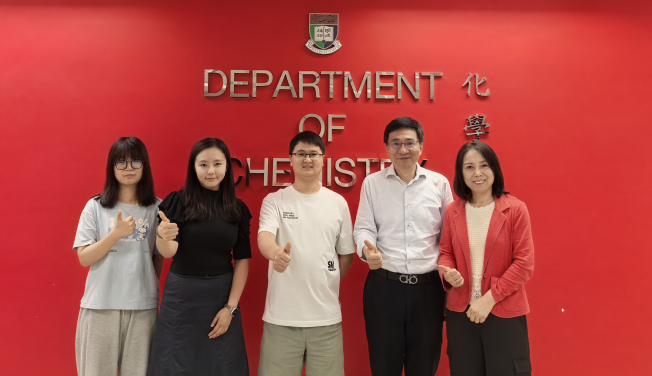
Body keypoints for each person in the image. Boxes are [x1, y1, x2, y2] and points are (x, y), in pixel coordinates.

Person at [353, 117, 453, 376]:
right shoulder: (372, 184)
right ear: (386, 148)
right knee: (384, 366)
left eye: (409, 142)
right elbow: (363, 227)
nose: (403, 149)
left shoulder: (439, 184)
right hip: (384, 288)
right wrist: (368, 251)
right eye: (395, 143)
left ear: (421, 146)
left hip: (428, 290)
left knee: (424, 366)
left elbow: (450, 236)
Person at [148, 138, 252, 376]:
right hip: (181, 297)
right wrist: (163, 236)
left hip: (222, 297)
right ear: (193, 168)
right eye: (203, 164)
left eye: (217, 163)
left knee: (222, 366)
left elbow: (243, 260)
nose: (211, 171)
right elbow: (168, 252)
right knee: (174, 365)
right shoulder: (178, 202)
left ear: (227, 167)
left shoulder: (237, 209)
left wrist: (231, 308)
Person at [257, 131, 355, 376]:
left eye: (313, 154)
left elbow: (346, 254)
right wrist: (275, 254)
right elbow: (264, 237)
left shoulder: (338, 203)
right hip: (281, 319)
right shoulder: (275, 200)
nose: (307, 159)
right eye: (301, 154)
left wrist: (327, 281)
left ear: (323, 159)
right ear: (290, 159)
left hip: (326, 320)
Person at [438, 141, 534, 376]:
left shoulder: (516, 209)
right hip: (461, 314)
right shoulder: (453, 211)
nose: (477, 173)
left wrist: (489, 299)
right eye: (469, 167)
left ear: (494, 169)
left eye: (484, 165)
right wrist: (448, 272)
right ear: (461, 173)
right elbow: (446, 253)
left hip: (503, 311)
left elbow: (524, 264)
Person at [73, 136, 163, 376]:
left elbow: (157, 255)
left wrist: (148, 281)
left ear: (145, 166)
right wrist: (116, 235)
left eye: (136, 162)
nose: (128, 168)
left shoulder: (157, 208)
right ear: (111, 167)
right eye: (121, 163)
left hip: (143, 308)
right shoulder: (95, 207)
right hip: (101, 305)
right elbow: (84, 257)